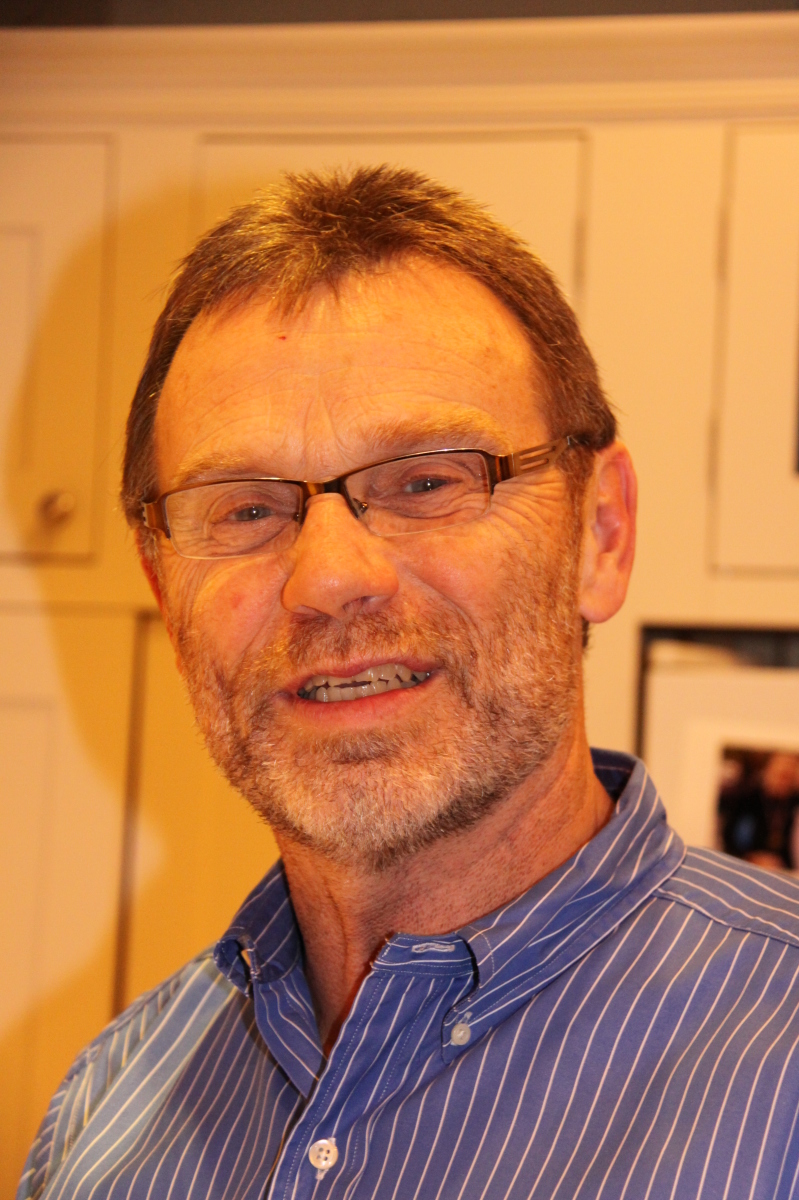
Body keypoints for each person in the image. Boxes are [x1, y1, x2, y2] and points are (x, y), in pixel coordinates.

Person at [19, 166, 799, 1200]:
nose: (328, 578)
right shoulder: (105, 1114)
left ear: (600, 535)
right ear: (165, 589)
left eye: (427, 481)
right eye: (245, 510)